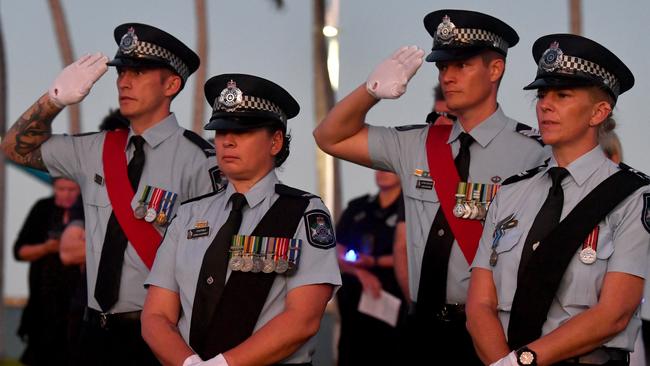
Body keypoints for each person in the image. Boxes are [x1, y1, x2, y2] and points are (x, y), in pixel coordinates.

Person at [313, 9, 549, 364]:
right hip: (420, 330)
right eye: (442, 67)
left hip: (495, 333)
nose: (448, 77)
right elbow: (329, 137)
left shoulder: (535, 152)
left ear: (495, 69)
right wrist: (370, 92)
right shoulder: (417, 144)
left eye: (462, 65)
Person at [0, 23, 223, 365]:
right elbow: (14, 149)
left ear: (172, 84)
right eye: (121, 72)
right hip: (93, 334)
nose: (123, 81)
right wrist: (53, 99)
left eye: (138, 71)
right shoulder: (95, 149)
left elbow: (214, 263)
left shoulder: (199, 161)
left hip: (161, 337)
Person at [466, 34, 649, 366]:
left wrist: (521, 362)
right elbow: (479, 304)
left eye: (562, 95)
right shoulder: (510, 193)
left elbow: (614, 313)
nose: (544, 105)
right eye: (541, 95)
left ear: (599, 112)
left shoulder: (634, 196)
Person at [142, 73, 341, 366]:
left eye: (243, 132)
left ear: (275, 142)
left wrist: (224, 365)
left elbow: (303, 319)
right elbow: (156, 315)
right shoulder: (188, 215)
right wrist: (189, 364)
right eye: (221, 132)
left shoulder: (303, 213)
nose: (228, 142)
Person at [335, 170, 405, 365]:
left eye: (388, 168)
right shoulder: (359, 207)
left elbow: (411, 255)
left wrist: (375, 262)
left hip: (392, 300)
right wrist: (360, 271)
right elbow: (336, 251)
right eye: (379, 167)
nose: (382, 173)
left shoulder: (409, 210)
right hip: (354, 303)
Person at [13, 177, 81, 366]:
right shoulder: (43, 209)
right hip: (42, 306)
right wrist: (47, 248)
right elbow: (20, 252)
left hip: (76, 308)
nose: (66, 195)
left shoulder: (87, 213)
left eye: (71, 190)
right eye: (61, 189)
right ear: (54, 188)